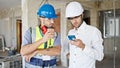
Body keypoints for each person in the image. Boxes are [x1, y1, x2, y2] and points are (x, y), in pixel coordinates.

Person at [20, 4, 61, 68]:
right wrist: (43, 40)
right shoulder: (30, 32)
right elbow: (23, 52)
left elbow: (57, 51)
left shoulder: (56, 34)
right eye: (49, 18)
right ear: (41, 18)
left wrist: (37, 51)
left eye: (53, 18)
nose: (52, 21)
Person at [65, 1, 104, 68]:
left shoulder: (93, 31)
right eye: (71, 18)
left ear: (82, 14)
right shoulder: (71, 32)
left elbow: (100, 56)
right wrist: (68, 54)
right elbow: (67, 48)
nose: (74, 21)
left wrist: (83, 46)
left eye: (76, 17)